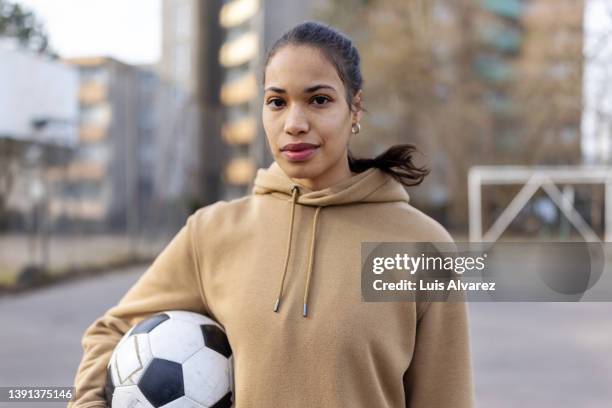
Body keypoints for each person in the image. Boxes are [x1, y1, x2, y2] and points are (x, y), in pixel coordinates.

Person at [70, 21, 474, 408]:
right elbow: (112, 331)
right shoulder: (212, 233)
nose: (294, 123)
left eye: (319, 100)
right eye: (277, 102)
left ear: (356, 109)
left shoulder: (422, 246)